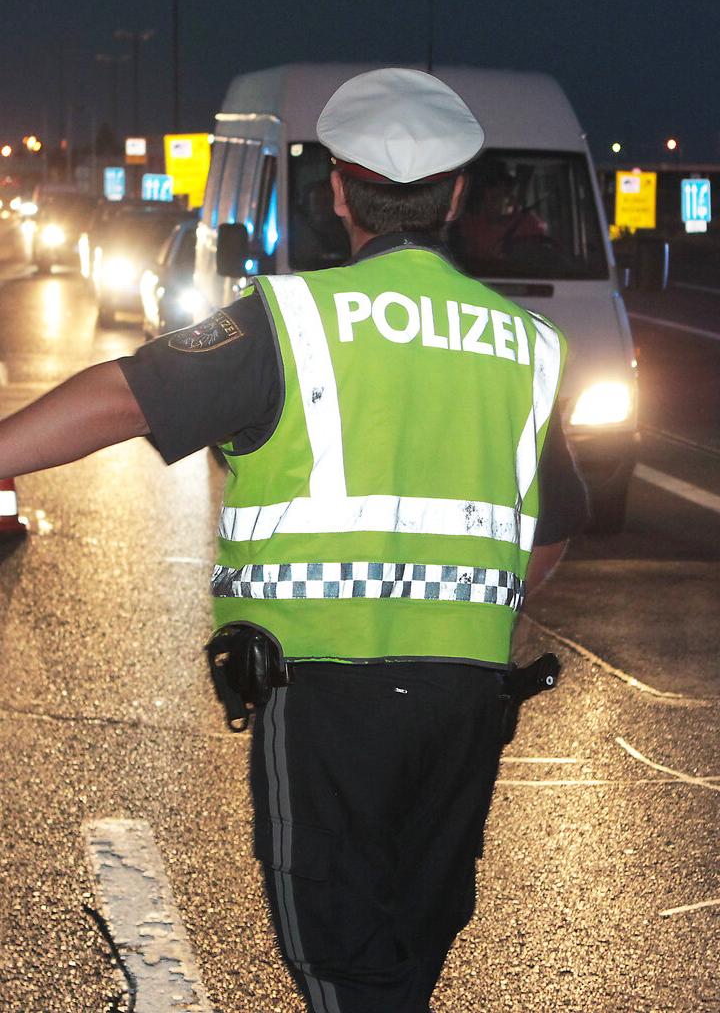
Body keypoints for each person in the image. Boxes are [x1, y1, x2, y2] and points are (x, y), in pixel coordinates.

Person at [0, 68, 588, 1012]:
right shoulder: (524, 341)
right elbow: (551, 532)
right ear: (460, 193)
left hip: (327, 699)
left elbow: (125, 395)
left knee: (340, 962)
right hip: (466, 703)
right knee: (407, 948)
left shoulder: (292, 319)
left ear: (340, 189)